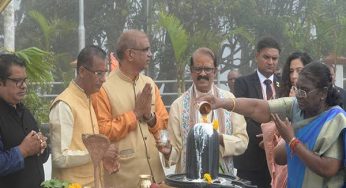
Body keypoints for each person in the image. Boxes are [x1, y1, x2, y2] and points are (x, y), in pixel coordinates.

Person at [198, 62, 346, 188]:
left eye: (305, 91)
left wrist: (292, 141)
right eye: (297, 88)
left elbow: (328, 168)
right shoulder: (296, 106)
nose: (299, 95)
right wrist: (221, 103)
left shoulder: (336, 120)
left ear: (323, 93)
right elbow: (257, 107)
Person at [91, 29, 168, 188]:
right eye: (146, 49)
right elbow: (101, 131)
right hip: (123, 179)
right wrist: (134, 115)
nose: (150, 54)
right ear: (130, 54)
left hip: (155, 177)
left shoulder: (150, 84)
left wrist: (150, 118)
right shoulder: (104, 88)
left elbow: (164, 125)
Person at [158, 47, 248, 175]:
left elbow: (242, 142)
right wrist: (168, 153)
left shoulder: (229, 100)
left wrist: (218, 138)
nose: (203, 74)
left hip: (222, 180)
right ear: (191, 71)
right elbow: (175, 151)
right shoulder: (178, 106)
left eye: (207, 69)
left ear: (215, 71)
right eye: (198, 69)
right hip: (189, 181)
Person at [49, 45, 119, 187]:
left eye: (105, 73)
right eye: (99, 73)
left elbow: (89, 149)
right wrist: (98, 153)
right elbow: (60, 157)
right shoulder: (64, 104)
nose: (104, 79)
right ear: (81, 71)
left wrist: (103, 158)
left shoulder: (88, 99)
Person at [233, 36, 281, 187]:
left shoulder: (284, 83)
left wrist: (274, 135)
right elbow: (242, 116)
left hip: (279, 159)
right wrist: (267, 133)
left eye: (274, 58)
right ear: (257, 56)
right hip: (251, 158)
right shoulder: (243, 83)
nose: (270, 62)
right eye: (266, 57)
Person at [262, 51, 312, 188]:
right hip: (282, 163)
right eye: (291, 71)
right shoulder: (281, 95)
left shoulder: (316, 101)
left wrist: (296, 101)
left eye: (299, 71)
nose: (294, 76)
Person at [0, 54, 49, 187]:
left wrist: (42, 146)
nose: (24, 86)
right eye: (17, 81)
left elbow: (40, 157)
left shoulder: (24, 111)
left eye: (25, 80)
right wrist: (23, 150)